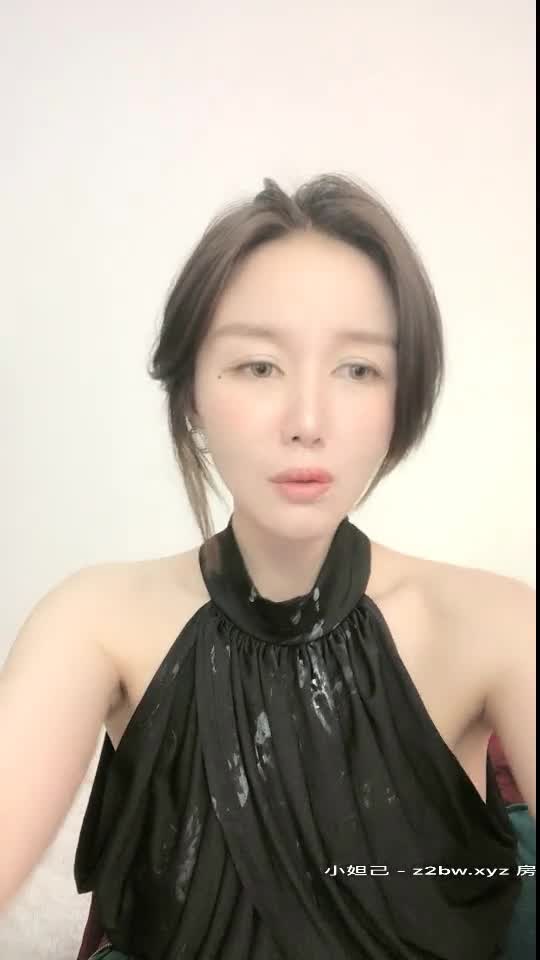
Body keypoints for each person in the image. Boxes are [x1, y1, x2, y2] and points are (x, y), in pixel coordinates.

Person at [1, 174, 535, 959]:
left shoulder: (499, 627)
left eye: (358, 369)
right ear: (191, 390)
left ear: (402, 396)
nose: (307, 422)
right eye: (258, 366)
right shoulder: (93, 621)